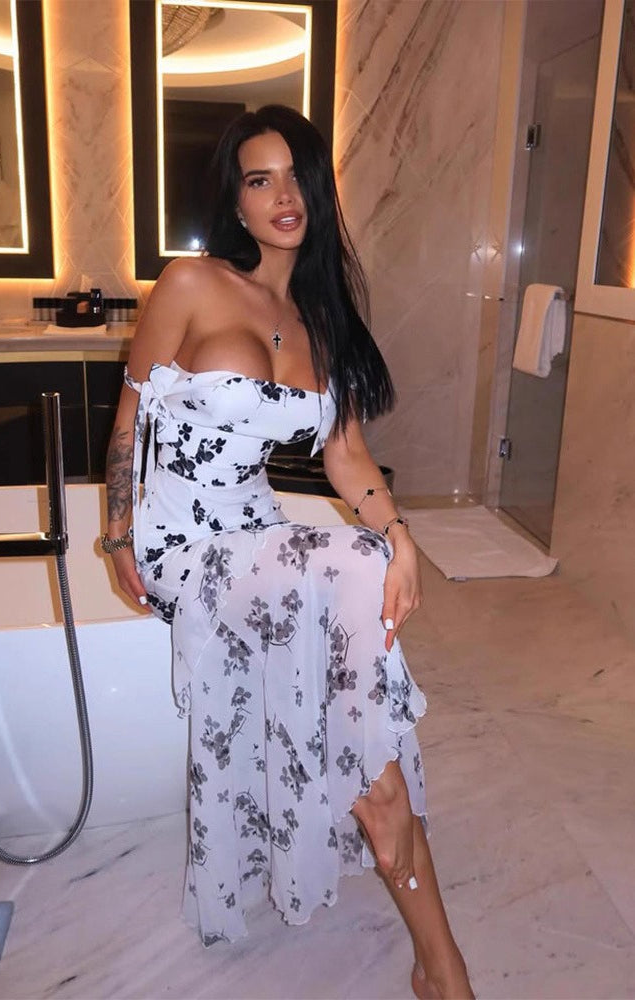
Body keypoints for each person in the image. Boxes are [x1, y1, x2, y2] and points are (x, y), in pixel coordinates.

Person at [103, 105, 473, 999]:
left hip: (256, 530)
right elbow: (130, 416)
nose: (283, 195)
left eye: (297, 176)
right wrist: (117, 533)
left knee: (360, 575)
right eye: (259, 179)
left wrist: (401, 535)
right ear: (235, 203)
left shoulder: (322, 321)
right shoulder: (190, 284)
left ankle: (433, 947)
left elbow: (346, 458)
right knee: (350, 567)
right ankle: (388, 813)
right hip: (182, 540)